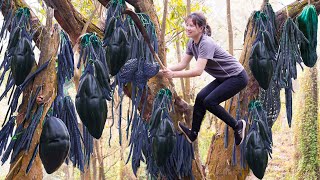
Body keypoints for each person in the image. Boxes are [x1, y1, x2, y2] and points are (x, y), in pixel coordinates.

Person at [159, 12, 249, 145]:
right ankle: (193, 133)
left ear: (201, 28)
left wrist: (174, 75)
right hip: (224, 77)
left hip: (237, 77)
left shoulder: (206, 43)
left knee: (209, 101)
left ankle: (237, 126)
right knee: (201, 97)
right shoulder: (192, 43)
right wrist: (165, 70)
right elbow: (183, 64)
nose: (188, 28)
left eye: (192, 26)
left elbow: (198, 71)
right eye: (187, 25)